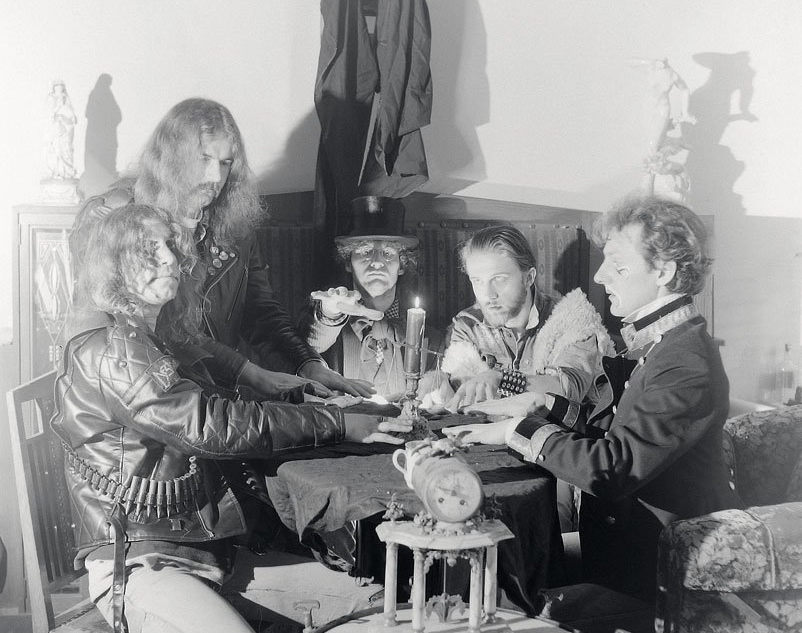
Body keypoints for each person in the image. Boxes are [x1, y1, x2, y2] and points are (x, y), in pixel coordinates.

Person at [52, 205, 411, 633]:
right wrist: (337, 423)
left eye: (170, 245)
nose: (171, 258)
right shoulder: (110, 348)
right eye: (150, 249)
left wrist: (307, 397)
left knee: (381, 607)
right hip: (142, 566)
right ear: (113, 264)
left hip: (207, 550)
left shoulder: (156, 334)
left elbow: (226, 409)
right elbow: (209, 425)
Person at [445, 195, 741, 604]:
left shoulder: (685, 362)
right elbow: (615, 430)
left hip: (660, 580)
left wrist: (517, 431)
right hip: (619, 557)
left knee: (505, 593)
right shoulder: (661, 343)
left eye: (618, 266)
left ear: (664, 271)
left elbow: (615, 467)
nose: (600, 276)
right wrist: (540, 405)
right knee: (502, 570)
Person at [69, 97, 374, 402]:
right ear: (172, 155)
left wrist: (308, 364)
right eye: (203, 158)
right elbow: (149, 332)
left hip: (216, 397)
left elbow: (261, 313)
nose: (215, 177)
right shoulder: (119, 214)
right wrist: (250, 373)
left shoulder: (234, 224)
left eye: (226, 163)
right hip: (143, 397)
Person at [430, 224, 613, 413]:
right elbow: (460, 390)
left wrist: (502, 378)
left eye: (499, 279)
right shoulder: (468, 325)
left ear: (528, 278)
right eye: (477, 281)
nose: (488, 294)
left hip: (557, 431)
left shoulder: (573, 318)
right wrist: (442, 388)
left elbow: (568, 389)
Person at [298, 196, 441, 402]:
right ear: (348, 262)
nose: (376, 262)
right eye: (365, 252)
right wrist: (329, 313)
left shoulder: (430, 339)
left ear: (401, 265)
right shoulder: (331, 330)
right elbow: (308, 345)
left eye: (388, 253)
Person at [45, 79, 78, 179]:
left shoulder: (65, 97)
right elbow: (49, 113)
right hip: (57, 127)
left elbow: (70, 109)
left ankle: (67, 171)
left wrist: (72, 117)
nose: (59, 87)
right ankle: (57, 171)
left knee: (67, 148)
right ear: (54, 87)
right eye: (57, 85)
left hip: (67, 126)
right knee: (57, 149)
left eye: (61, 85)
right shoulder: (51, 98)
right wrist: (58, 107)